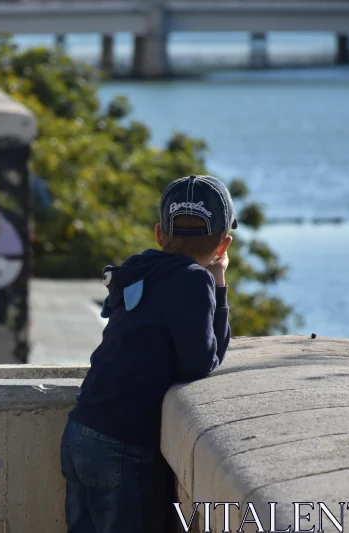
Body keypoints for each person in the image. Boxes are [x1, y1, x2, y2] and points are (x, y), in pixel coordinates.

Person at [60, 174, 236, 533]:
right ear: (224, 244)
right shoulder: (192, 279)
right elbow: (202, 362)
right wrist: (218, 284)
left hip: (81, 429)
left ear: (160, 234)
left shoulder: (140, 268)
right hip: (122, 446)